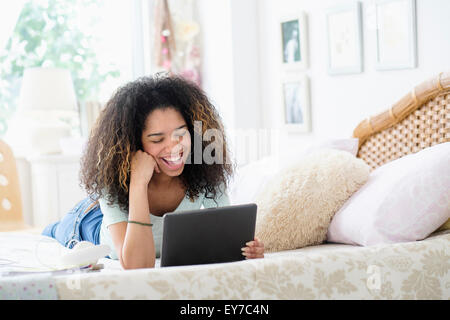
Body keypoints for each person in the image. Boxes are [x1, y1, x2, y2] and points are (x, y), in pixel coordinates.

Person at [42, 74, 264, 269]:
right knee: (53, 232)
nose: (174, 147)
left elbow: (227, 242)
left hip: (115, 214)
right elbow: (137, 265)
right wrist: (138, 183)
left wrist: (248, 250)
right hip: (88, 221)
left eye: (180, 133)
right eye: (157, 139)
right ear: (133, 145)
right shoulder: (113, 182)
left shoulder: (206, 172)